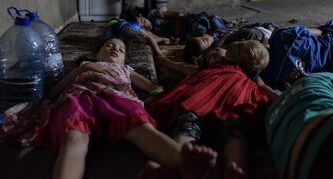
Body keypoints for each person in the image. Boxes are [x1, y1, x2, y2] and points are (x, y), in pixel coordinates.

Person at [1, 38, 217, 179]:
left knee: (141, 128)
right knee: (73, 138)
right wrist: (79, 71)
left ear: (124, 58)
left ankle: (182, 161)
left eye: (121, 49)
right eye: (109, 46)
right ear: (97, 53)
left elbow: (154, 87)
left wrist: (153, 96)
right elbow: (54, 93)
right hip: (80, 97)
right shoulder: (84, 66)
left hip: (117, 97)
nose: (115, 49)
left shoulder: (126, 69)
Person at [147, 40, 276, 178]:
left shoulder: (232, 67)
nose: (213, 52)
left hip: (208, 95)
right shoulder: (223, 68)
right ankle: (233, 166)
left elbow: (263, 87)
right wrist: (165, 62)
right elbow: (185, 69)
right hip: (228, 95)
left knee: (199, 119)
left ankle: (186, 158)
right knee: (232, 125)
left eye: (216, 50)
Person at [261, 20, 333, 89]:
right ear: (262, 42)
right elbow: (320, 32)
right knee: (321, 30)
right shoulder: (283, 37)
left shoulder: (271, 76)